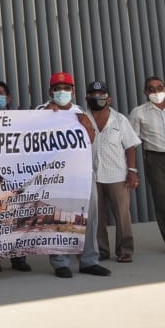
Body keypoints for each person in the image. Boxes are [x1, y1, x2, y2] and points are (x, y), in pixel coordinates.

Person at [36, 72, 111, 278]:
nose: (62, 92)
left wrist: (86, 124)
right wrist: (46, 116)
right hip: (56, 176)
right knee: (57, 218)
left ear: (74, 91)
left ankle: (89, 261)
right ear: (51, 92)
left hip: (83, 175)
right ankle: (60, 262)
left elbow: (92, 139)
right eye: (58, 88)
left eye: (66, 88)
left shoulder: (82, 113)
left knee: (89, 218)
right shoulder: (41, 111)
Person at [85, 81, 141, 263]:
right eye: (93, 95)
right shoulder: (83, 118)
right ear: (87, 98)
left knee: (122, 215)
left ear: (109, 98)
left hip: (117, 175)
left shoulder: (120, 119)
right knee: (96, 217)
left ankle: (125, 250)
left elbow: (130, 146)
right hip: (92, 176)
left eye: (101, 95)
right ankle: (101, 250)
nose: (97, 98)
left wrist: (132, 171)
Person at [0, 80, 32, 273]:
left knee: (17, 219)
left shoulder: (20, 118)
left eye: (0, 92)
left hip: (16, 176)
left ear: (8, 97)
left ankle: (18, 259)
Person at [127, 75, 165, 255]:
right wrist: (132, 169)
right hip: (156, 161)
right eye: (151, 89)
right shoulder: (139, 113)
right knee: (163, 203)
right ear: (145, 92)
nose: (156, 92)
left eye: (159, 88)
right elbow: (131, 142)